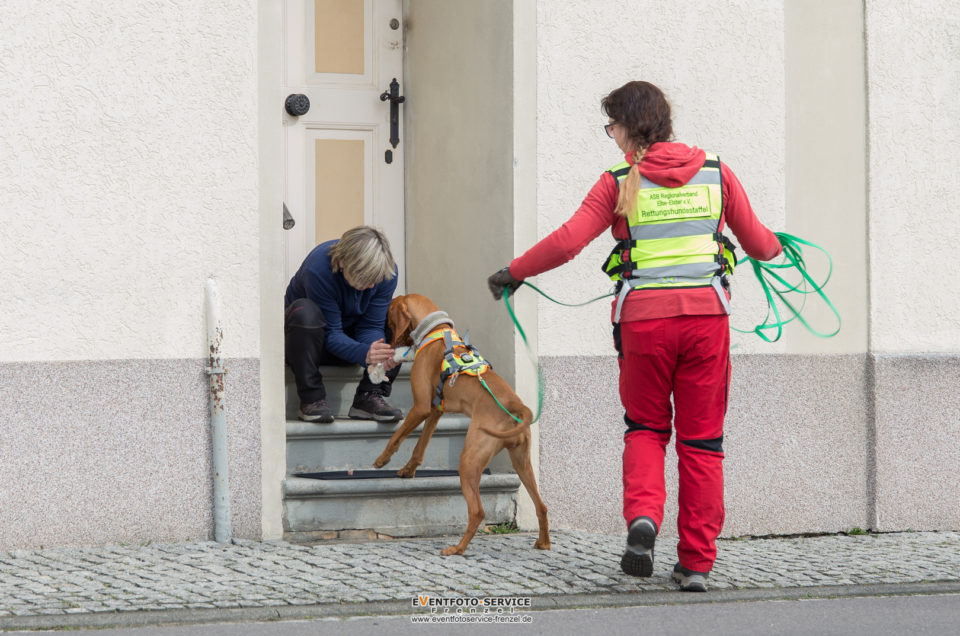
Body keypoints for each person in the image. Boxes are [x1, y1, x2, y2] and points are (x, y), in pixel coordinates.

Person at [487, 81, 781, 592]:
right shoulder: (716, 172)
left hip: (643, 322)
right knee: (703, 443)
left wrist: (513, 272)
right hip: (706, 323)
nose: (611, 136)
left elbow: (567, 242)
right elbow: (761, 246)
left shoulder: (620, 179)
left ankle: (643, 520)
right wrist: (777, 244)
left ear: (629, 126)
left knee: (645, 428)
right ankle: (695, 563)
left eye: (611, 126)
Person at [285, 226, 403, 423]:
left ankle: (369, 395)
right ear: (342, 262)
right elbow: (331, 333)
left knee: (400, 321)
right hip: (310, 344)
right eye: (365, 279)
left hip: (348, 340)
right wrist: (364, 353)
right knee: (305, 312)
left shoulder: (386, 272)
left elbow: (370, 326)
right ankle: (311, 399)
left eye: (375, 279)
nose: (372, 286)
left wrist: (376, 354)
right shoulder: (318, 268)